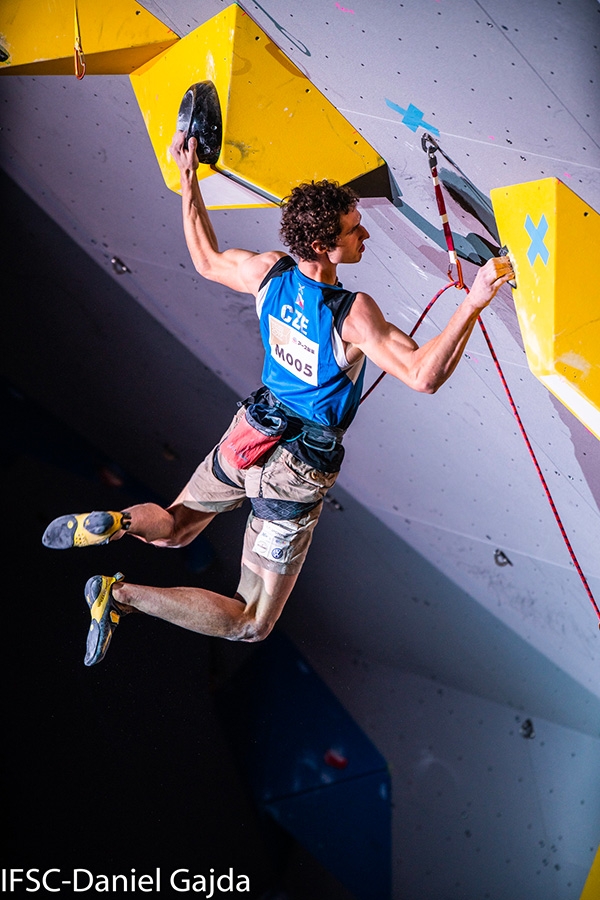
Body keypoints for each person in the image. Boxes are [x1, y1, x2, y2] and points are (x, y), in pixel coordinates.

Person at [42, 131, 515, 666]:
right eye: (352, 230)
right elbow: (422, 375)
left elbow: (205, 258)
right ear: (322, 246)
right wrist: (472, 303)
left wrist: (188, 178)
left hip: (250, 431)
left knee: (173, 528)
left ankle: (120, 522)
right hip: (296, 468)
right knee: (250, 622)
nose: (365, 237)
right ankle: (121, 595)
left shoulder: (270, 272)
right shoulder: (351, 312)